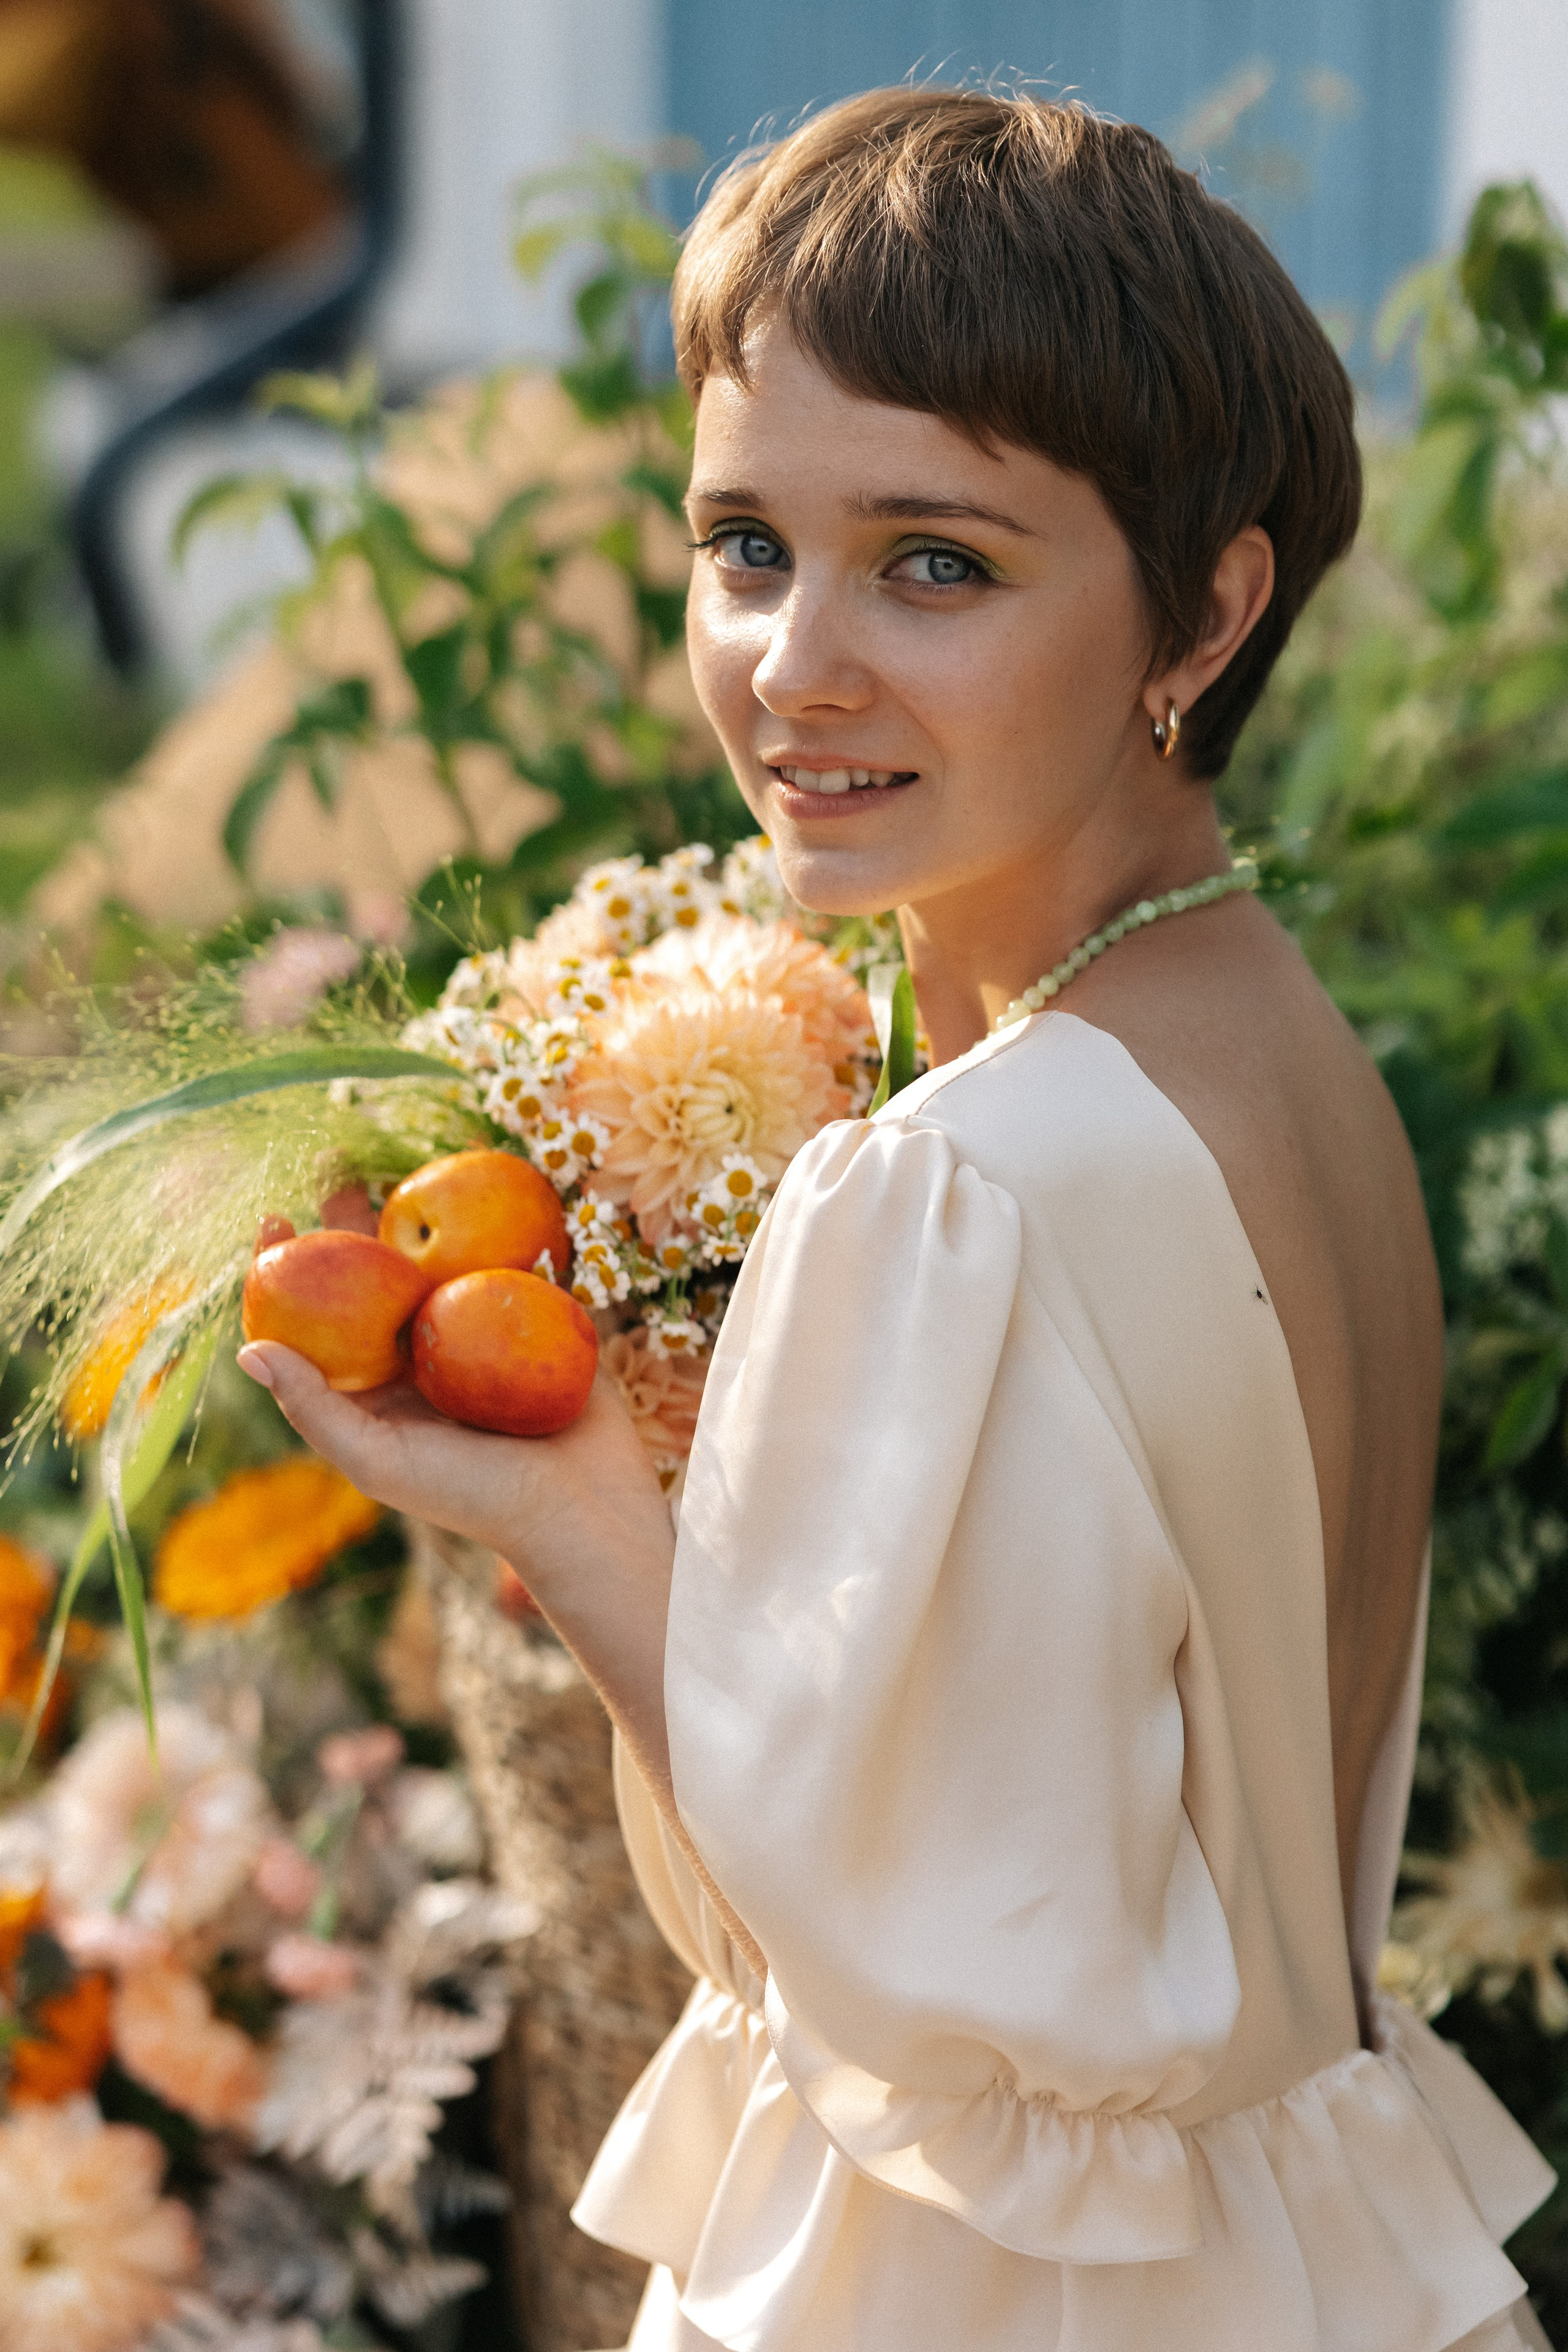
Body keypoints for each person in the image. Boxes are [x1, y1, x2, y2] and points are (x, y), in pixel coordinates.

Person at [239, 88, 1557, 2352]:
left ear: (1207, 607)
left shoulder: (973, 1182)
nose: (794, 663)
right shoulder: (1275, 1048)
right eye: (746, 542)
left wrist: (570, 1518)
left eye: (936, 562)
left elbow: (894, 1961)